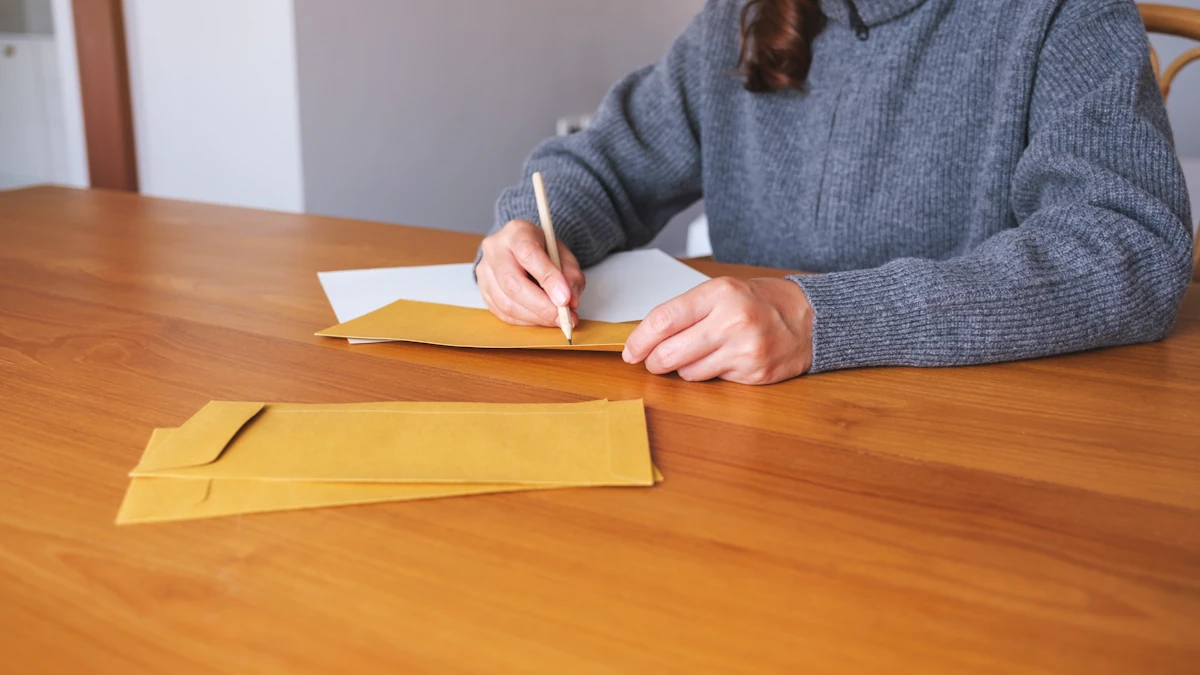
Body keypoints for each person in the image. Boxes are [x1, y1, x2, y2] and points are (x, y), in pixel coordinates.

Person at [475, 0, 1194, 384]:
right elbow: (602, 165)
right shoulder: (739, 18)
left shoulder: (1062, 13)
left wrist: (821, 318)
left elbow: (1130, 245)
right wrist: (533, 235)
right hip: (748, 437)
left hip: (969, 447)